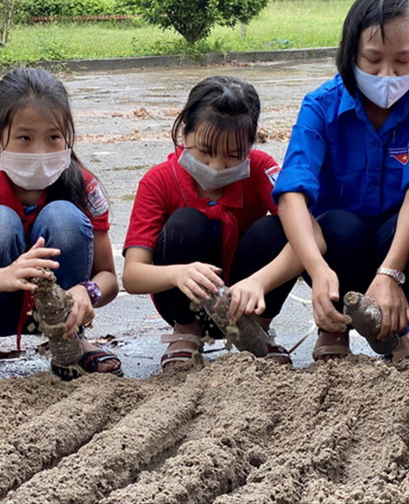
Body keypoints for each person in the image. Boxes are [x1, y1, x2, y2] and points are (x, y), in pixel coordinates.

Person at [272, 0, 409, 362]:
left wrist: (390, 275)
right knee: (338, 225)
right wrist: (317, 270)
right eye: (372, 60)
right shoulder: (320, 105)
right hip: (341, 243)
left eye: (404, 61)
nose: (387, 75)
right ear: (350, 52)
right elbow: (292, 190)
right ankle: (334, 325)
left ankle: (398, 327)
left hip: (399, 239)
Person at [0, 68, 121, 384]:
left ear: (68, 136)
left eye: (53, 137)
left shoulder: (83, 184)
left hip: (61, 310)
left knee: (63, 216)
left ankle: (69, 339)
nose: (40, 152)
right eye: (24, 138)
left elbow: (108, 277)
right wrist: (3, 277)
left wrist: (88, 291)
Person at [122, 76, 301, 370]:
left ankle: (257, 330)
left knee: (280, 228)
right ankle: (186, 333)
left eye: (233, 156)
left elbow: (311, 236)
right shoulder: (158, 181)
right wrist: (177, 274)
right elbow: (132, 275)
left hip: (248, 301)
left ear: (251, 145)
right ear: (183, 132)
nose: (217, 166)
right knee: (185, 224)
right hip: (186, 302)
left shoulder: (260, 168)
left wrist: (259, 281)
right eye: (205, 152)